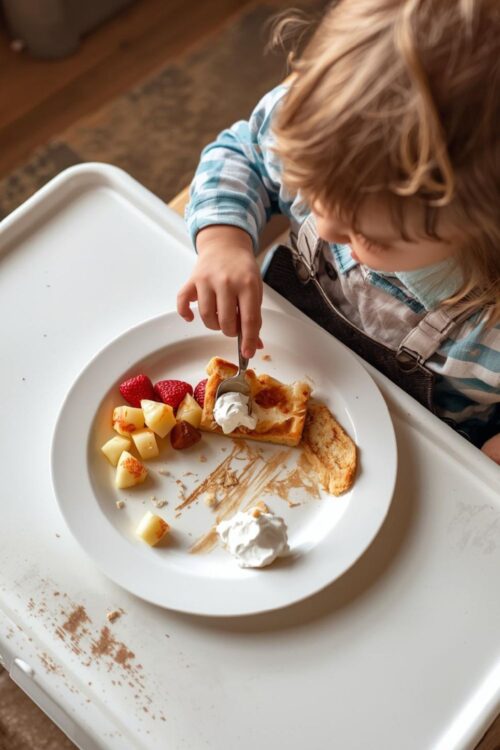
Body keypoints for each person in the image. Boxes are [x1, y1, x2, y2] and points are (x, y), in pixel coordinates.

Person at [177, 0, 500, 462]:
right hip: (278, 357)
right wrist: (222, 242)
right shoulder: (323, 132)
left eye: (369, 237)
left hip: (422, 459)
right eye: (312, 189)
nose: (322, 226)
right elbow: (241, 152)